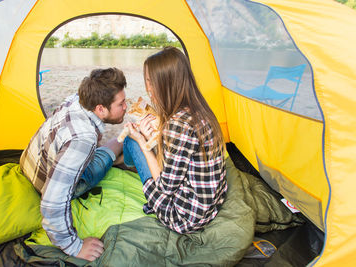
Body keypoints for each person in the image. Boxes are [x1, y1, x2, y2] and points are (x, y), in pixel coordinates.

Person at [20, 68, 127, 261]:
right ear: (101, 109)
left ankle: (124, 137)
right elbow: (52, 203)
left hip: (30, 163)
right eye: (121, 103)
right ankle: (126, 135)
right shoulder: (83, 139)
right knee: (99, 163)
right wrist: (74, 247)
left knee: (93, 154)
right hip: (41, 182)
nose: (126, 107)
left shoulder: (76, 99)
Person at [123, 47, 227, 234]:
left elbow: (164, 186)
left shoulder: (178, 125)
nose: (148, 89)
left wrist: (142, 142)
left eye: (150, 81)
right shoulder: (200, 110)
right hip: (211, 205)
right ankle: (128, 159)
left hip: (183, 216)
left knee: (131, 141)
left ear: (165, 84)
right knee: (140, 139)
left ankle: (125, 164)